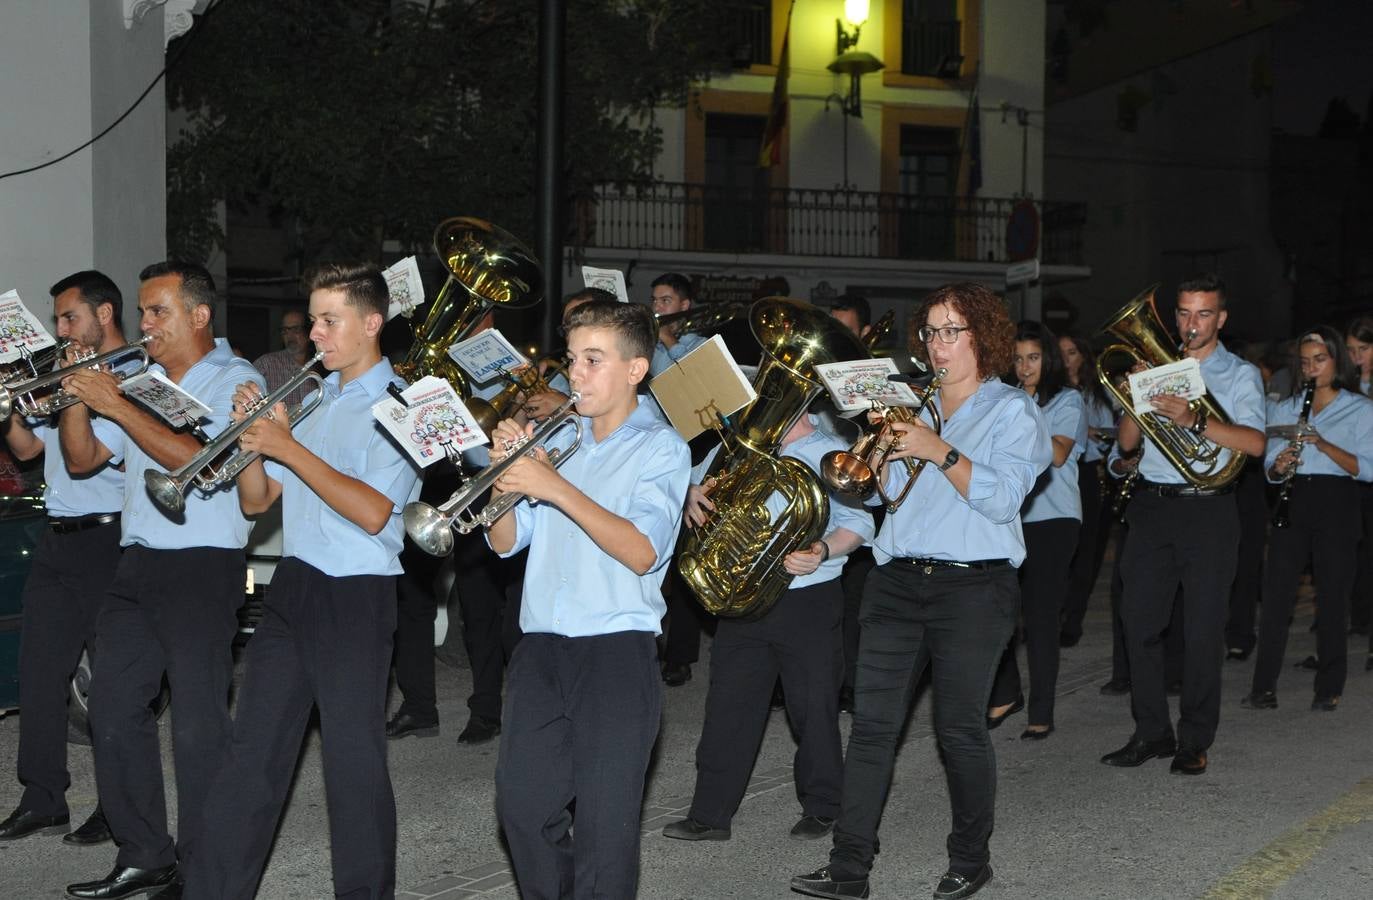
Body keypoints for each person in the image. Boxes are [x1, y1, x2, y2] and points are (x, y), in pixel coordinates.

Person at [791, 282, 1051, 900]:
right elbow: (887, 500)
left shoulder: (1013, 410)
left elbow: (1003, 497)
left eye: (951, 331)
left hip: (974, 587)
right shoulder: (909, 405)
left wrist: (938, 449)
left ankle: (970, 858)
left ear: (981, 338)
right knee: (873, 729)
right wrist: (878, 464)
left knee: (958, 729)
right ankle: (849, 866)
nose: (937, 344)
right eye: (931, 332)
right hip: (897, 580)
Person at [182, 263, 422, 899]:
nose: (314, 333)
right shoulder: (319, 398)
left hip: (356, 596)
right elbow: (261, 502)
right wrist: (254, 448)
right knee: (250, 757)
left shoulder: (400, 405)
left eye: (328, 320)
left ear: (372, 323)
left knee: (353, 768)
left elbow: (374, 511)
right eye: (313, 318)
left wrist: (288, 447)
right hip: (295, 588)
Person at [58, 261, 265, 899]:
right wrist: (75, 394)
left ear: (199, 316)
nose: (143, 325)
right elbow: (83, 458)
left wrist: (115, 401)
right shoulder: (143, 380)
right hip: (137, 561)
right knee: (114, 710)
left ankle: (207, 869)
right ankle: (146, 854)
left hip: (202, 563)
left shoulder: (236, 378)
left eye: (157, 312)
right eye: (143, 312)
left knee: (199, 725)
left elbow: (206, 462)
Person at [485, 298, 689, 899]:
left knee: (605, 834)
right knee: (522, 812)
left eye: (593, 360)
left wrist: (553, 486)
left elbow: (642, 551)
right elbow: (505, 542)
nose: (574, 374)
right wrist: (504, 480)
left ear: (635, 369)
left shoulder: (661, 447)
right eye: (573, 359)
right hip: (542, 649)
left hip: (616, 654)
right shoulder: (560, 441)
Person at [661, 409, 873, 843]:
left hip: (807, 598)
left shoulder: (831, 454)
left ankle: (823, 805)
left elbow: (860, 522)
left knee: (812, 708)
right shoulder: (742, 447)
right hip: (743, 597)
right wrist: (690, 494)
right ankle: (709, 814)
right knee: (728, 706)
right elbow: (695, 487)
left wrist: (823, 549)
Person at [1100, 274, 1265, 777]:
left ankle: (1194, 738)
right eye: (1185, 314)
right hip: (1152, 508)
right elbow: (1127, 445)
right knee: (1139, 622)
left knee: (1201, 630)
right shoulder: (1155, 367)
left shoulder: (1240, 375)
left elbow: (1255, 444)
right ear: (1174, 317)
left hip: (1209, 509)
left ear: (1221, 319)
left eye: (1204, 314)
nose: (1192, 325)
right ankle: (1151, 732)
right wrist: (1134, 395)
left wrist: (1196, 420)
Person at [0, 271, 128, 846]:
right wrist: (9, 406)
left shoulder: (130, 377)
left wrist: (76, 388)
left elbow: (84, 462)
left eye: (69, 317)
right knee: (40, 671)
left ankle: (119, 807)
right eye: (55, 319)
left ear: (104, 314)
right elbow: (30, 451)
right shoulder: (67, 376)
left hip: (110, 538)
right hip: (58, 538)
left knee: (112, 685)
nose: (60, 329)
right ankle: (43, 796)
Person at [1242, 327, 1373, 712]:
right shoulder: (1285, 408)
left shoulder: (1361, 408)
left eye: (1320, 360)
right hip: (1294, 500)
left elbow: (1367, 468)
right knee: (1277, 598)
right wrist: (1279, 465)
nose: (1312, 368)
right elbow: (1267, 465)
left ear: (1337, 362)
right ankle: (1263, 687)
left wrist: (1322, 443)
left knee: (1332, 598)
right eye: (1305, 361)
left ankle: (1328, 686)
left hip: (1337, 503)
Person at [987, 320, 1084, 740]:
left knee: (1042, 617)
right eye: (1017, 359)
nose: (1024, 367)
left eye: (1033, 358)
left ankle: (1041, 709)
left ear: (1047, 360)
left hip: (1054, 518)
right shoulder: (1002, 400)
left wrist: (1023, 408)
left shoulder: (1067, 400)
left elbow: (1058, 455)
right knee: (995, 612)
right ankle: (1007, 691)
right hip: (1009, 517)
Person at [1056, 332, 1117, 648]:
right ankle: (1054, 610)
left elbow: (1110, 435)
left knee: (1086, 552)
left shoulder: (1096, 396)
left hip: (1085, 473)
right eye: (1062, 353)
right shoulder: (1051, 391)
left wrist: (1086, 430)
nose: (1066, 359)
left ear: (1083, 357)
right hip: (1055, 472)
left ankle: (1074, 619)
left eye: (1072, 352)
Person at [1342, 316, 1373, 641]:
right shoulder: (1345, 384)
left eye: (1363, 348)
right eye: (1351, 350)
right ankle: (1358, 614)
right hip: (1353, 474)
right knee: (1356, 548)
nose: (1356, 356)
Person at [251, 308, 319, 408]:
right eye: (285, 330)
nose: (290, 335)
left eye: (296, 329)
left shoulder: (322, 366)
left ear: (309, 333)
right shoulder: (266, 363)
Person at [649, 272, 706, 377]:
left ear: (684, 305)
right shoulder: (649, 343)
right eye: (654, 300)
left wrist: (667, 337)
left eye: (665, 300)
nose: (656, 308)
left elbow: (694, 377)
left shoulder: (701, 345)